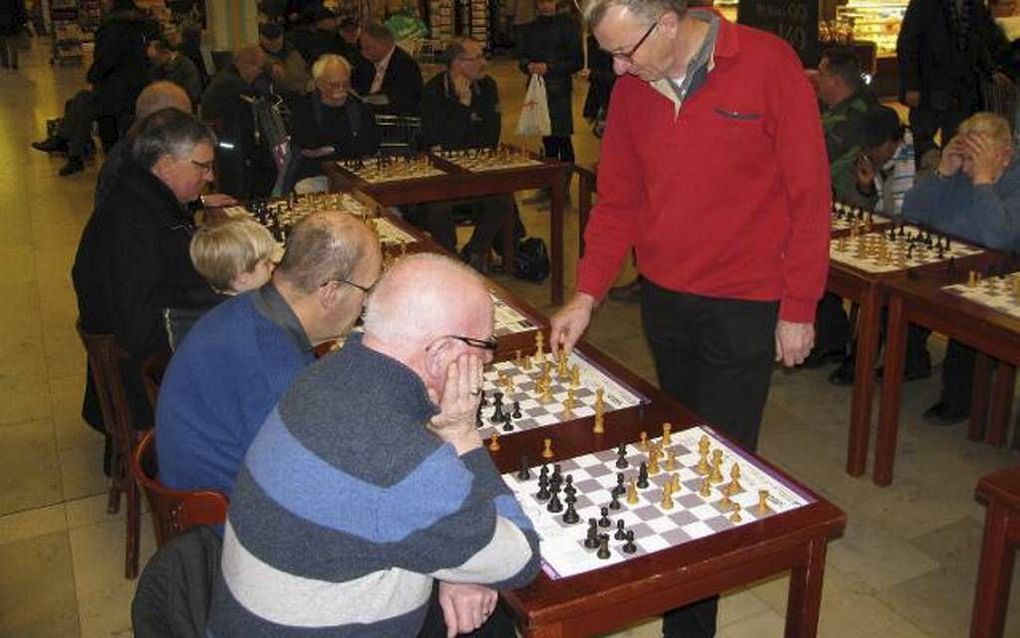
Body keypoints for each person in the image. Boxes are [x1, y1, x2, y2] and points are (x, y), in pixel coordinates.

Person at [550, 2, 830, 636]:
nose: (618, 69)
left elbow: (809, 194)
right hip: (666, 298)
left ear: (670, 21)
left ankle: (691, 624)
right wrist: (585, 295)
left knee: (718, 462)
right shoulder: (632, 90)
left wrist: (799, 305)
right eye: (609, 54)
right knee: (676, 450)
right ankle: (680, 580)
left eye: (626, 50)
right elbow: (617, 200)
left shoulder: (766, 63)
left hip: (746, 300)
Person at [206, 253, 541, 637]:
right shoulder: (399, 461)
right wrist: (463, 434)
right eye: (485, 345)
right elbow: (520, 558)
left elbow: (384, 502)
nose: (486, 359)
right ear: (443, 353)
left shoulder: (324, 374)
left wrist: (457, 563)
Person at [155, 210, 382, 497]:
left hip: (220, 478)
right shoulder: (271, 370)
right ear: (330, 291)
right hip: (227, 517)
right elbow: (310, 485)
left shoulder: (253, 306)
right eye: (369, 288)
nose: (370, 301)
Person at [72, 108, 221, 456]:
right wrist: (217, 307)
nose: (210, 176)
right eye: (202, 166)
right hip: (140, 379)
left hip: (132, 361)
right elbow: (141, 331)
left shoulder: (138, 195)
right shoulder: (135, 226)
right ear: (167, 164)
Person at [902, 112, 1020, 425]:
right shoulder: (956, 172)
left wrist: (983, 181)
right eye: (965, 156)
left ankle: (959, 398)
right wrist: (942, 172)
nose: (967, 166)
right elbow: (912, 211)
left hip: (998, 274)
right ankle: (909, 363)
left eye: (976, 157)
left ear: (1005, 156)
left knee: (965, 311)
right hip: (949, 261)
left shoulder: (1013, 182)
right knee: (901, 287)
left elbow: (997, 238)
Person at [418, 37, 518, 269]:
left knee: (502, 199)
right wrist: (463, 106)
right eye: (477, 58)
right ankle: (449, 260)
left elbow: (490, 137)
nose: (484, 63)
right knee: (438, 208)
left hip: (478, 170)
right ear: (457, 63)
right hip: (442, 175)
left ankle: (474, 251)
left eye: (483, 56)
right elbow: (436, 140)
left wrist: (455, 138)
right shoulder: (433, 91)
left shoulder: (487, 86)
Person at [897, 0, 1007, 165]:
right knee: (922, 137)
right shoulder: (925, 4)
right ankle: (925, 177)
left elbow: (982, 41)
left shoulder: (975, 5)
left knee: (958, 139)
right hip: (930, 83)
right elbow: (908, 43)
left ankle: (951, 178)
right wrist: (911, 85)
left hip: (963, 86)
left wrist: (991, 70)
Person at [164, 217, 279, 349]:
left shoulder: (195, 307)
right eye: (266, 263)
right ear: (243, 277)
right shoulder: (245, 325)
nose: (272, 267)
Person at [94, 81, 193, 209]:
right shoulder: (134, 165)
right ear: (162, 121)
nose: (190, 127)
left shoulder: (136, 148)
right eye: (184, 120)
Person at [287, 53, 380, 184]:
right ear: (320, 84)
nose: (341, 89)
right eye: (334, 84)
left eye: (345, 83)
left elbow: (370, 145)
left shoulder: (361, 109)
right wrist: (346, 145)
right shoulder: (304, 110)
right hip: (315, 174)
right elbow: (307, 145)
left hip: (355, 173)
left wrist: (331, 149)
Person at [201, 45, 276, 199]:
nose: (260, 73)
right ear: (247, 64)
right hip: (226, 145)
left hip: (225, 139)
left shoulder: (226, 77)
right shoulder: (231, 83)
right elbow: (256, 99)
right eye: (259, 68)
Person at [515, 0, 583, 167]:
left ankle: (565, 174)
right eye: (542, 2)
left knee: (561, 134)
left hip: (559, 89)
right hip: (536, 87)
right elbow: (521, 57)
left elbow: (577, 61)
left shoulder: (568, 27)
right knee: (546, 134)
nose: (546, 5)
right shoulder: (529, 28)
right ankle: (551, 174)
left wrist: (549, 68)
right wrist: (528, 66)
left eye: (549, 1)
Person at [816, 47, 877, 203]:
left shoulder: (854, 117)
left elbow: (822, 154)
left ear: (835, 81)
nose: (816, 78)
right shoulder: (830, 109)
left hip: (842, 198)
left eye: (821, 74)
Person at [354, 22, 424, 116]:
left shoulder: (405, 65)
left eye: (368, 48)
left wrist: (368, 101)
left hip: (394, 120)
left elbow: (399, 99)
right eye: (362, 49)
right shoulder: (365, 63)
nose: (364, 53)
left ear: (384, 43)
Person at [258, 21, 312, 98]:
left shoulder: (292, 51)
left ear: (282, 36)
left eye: (277, 40)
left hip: (305, 95)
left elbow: (305, 71)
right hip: (282, 99)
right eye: (270, 41)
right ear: (262, 38)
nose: (274, 43)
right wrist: (270, 66)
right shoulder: (258, 57)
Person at [146, 37, 203, 107]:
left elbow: (194, 93)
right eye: (152, 60)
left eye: (156, 59)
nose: (155, 63)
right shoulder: (156, 69)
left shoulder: (187, 66)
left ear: (165, 53)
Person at [0, 0, 27, 70]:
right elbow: (21, 9)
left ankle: (5, 63)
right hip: (12, 23)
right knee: (12, 45)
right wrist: (21, 22)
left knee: (2, 45)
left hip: (3, 23)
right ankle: (14, 64)